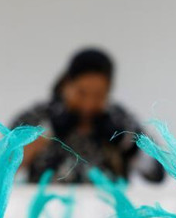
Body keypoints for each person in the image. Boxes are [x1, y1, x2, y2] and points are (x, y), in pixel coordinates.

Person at [10, 48, 164, 184]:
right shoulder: (39, 117)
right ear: (67, 84)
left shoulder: (121, 120)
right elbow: (2, 165)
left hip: (106, 206)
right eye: (81, 93)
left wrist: (127, 144)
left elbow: (156, 172)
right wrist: (46, 132)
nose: (88, 104)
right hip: (47, 206)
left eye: (98, 95)